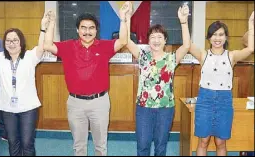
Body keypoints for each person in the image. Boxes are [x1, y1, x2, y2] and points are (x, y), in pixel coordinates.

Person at [43, 2, 129, 156]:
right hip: (75, 104)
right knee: (79, 146)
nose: (87, 31)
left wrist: (123, 19)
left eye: (91, 28)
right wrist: (51, 23)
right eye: (83, 28)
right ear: (78, 30)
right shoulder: (68, 46)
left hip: (99, 103)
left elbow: (123, 41)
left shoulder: (104, 47)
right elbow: (48, 45)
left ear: (96, 30)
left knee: (100, 146)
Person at [0, 9, 49, 156]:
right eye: (8, 40)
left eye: (15, 40)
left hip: (28, 109)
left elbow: (42, 47)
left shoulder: (30, 57)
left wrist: (43, 27)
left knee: (27, 144)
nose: (11, 43)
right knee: (13, 143)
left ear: (21, 42)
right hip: (7, 108)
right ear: (4, 43)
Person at [125, 3, 191, 156]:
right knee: (143, 145)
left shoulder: (171, 58)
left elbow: (187, 45)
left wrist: (183, 22)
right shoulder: (142, 57)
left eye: (159, 37)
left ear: (165, 40)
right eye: (152, 37)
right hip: (144, 108)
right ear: (148, 40)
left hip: (165, 109)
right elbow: (127, 41)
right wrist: (127, 18)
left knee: (161, 146)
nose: (156, 40)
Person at [189, 11, 254, 156]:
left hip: (224, 102)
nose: (217, 38)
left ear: (226, 37)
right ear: (209, 37)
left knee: (221, 142)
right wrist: (183, 22)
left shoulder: (232, 56)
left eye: (221, 34)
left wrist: (250, 24)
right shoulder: (203, 54)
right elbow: (187, 44)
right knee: (203, 141)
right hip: (205, 100)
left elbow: (250, 48)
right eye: (214, 34)